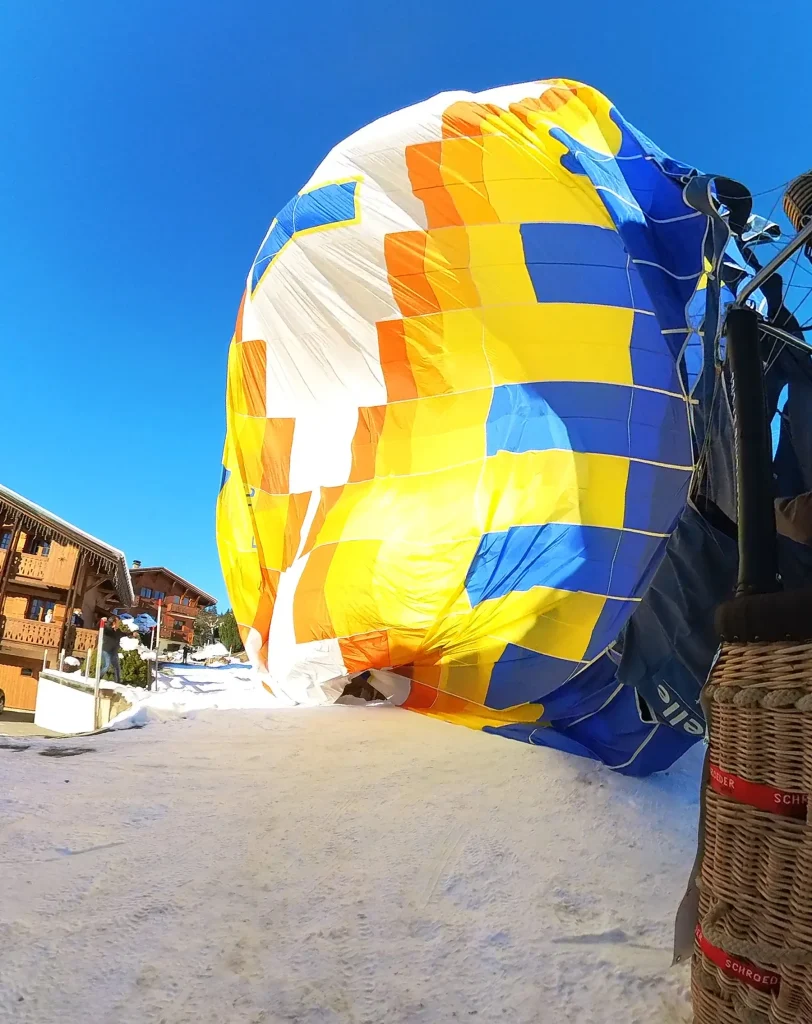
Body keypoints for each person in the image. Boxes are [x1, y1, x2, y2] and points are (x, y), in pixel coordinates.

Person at [100, 615, 126, 685]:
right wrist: (102, 621)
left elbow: (124, 634)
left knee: (116, 667)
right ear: (114, 622)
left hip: (114, 651)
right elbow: (102, 628)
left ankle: (118, 682)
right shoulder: (108, 629)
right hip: (106, 650)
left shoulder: (117, 631)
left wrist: (132, 634)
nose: (119, 623)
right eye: (118, 621)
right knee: (106, 666)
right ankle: (98, 679)